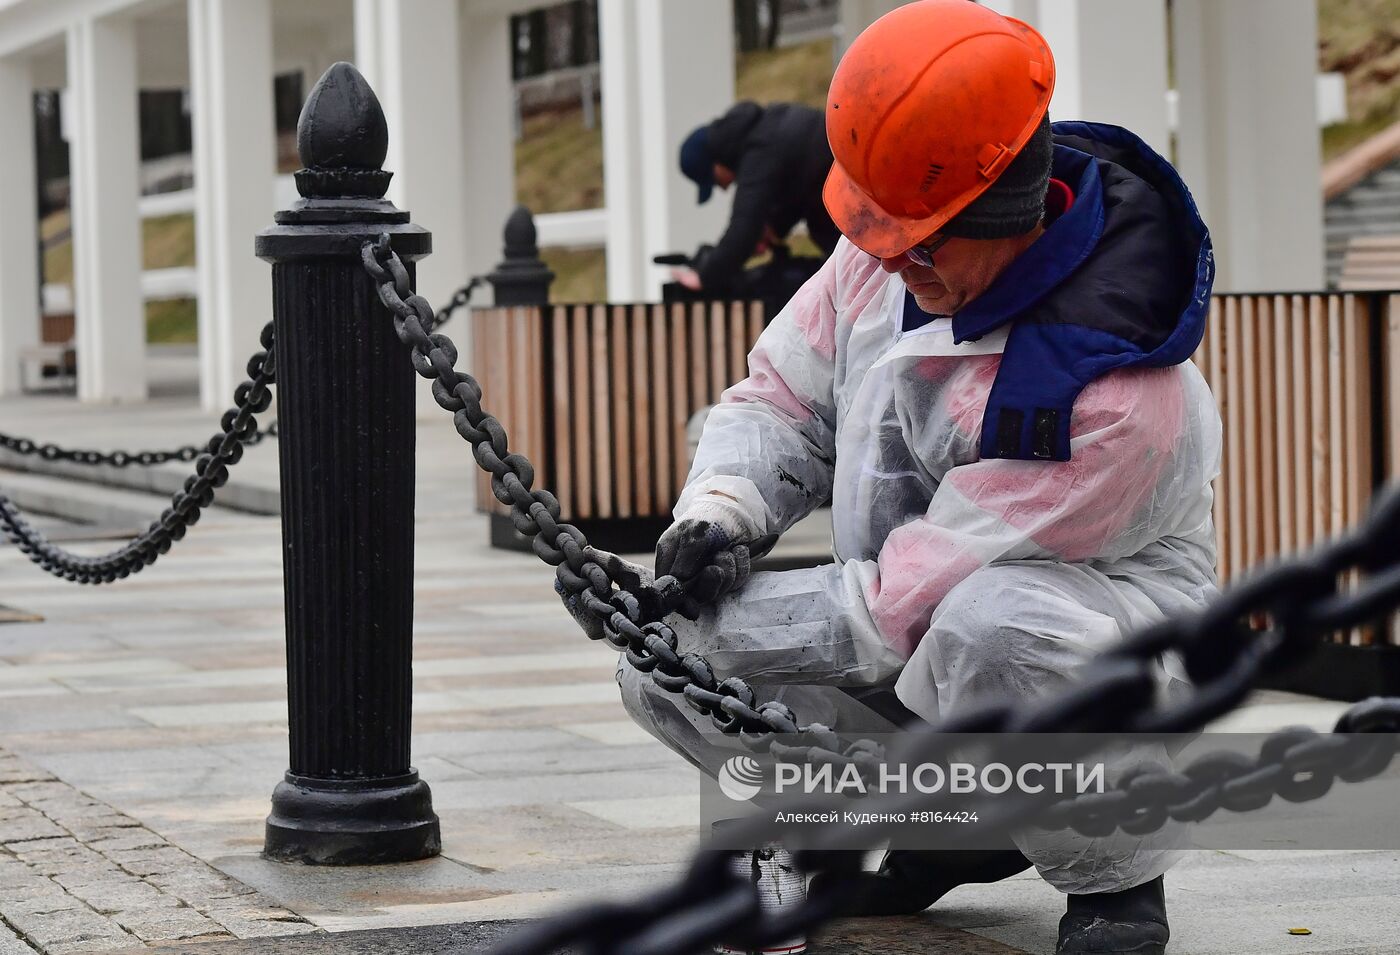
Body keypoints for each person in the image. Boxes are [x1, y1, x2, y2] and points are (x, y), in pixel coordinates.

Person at [566, 3, 1221, 953]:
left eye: (921, 243)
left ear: (1008, 212)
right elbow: (781, 395)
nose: (892, 262)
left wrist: (698, 614)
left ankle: (1114, 872)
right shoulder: (893, 248)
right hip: (916, 639)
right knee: (665, 667)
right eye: (879, 235)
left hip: (1072, 653)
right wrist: (719, 514)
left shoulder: (1114, 395)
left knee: (997, 628)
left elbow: (905, 605)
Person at [674, 100, 840, 298]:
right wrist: (773, 226)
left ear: (715, 164)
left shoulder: (758, 151)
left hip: (845, 192)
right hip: (842, 180)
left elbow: (743, 228)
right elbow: (797, 186)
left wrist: (704, 277)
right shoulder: (766, 126)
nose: (724, 188)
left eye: (715, 182)